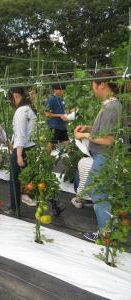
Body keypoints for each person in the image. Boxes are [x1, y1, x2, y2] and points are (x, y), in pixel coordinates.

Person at [74, 69, 123, 242]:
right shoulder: (110, 105)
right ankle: (109, 225)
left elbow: (109, 139)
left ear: (102, 84)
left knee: (99, 193)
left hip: (105, 157)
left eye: (93, 85)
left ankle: (105, 233)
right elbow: (106, 130)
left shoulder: (111, 107)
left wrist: (85, 136)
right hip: (102, 157)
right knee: (97, 191)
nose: (93, 90)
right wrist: (88, 128)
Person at [5, 87, 37, 216]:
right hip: (32, 148)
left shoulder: (20, 111)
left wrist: (18, 155)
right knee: (31, 177)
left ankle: (14, 208)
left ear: (16, 96)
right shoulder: (31, 110)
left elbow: (21, 135)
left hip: (22, 149)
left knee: (14, 179)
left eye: (11, 99)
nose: (11, 102)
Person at [45, 84, 70, 153]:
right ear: (55, 90)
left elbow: (63, 111)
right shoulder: (51, 99)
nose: (62, 91)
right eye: (60, 89)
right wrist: (60, 115)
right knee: (51, 143)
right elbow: (47, 114)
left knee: (67, 142)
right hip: (54, 126)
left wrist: (69, 114)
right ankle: (46, 159)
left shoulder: (61, 99)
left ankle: (70, 160)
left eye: (62, 89)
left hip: (62, 126)